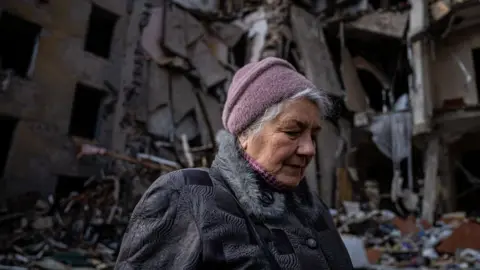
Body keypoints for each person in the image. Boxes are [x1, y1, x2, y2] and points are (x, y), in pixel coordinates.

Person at [115, 57, 354, 269]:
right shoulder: (187, 195)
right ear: (245, 133)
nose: (309, 149)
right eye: (292, 131)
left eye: (313, 135)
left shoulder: (315, 210)